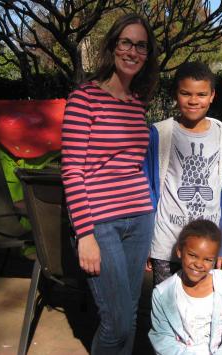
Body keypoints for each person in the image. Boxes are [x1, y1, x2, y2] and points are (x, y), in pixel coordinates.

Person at [60, 13, 159, 355]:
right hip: (100, 224)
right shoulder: (83, 99)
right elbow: (72, 171)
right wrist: (84, 234)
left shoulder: (137, 104)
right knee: (115, 322)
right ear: (113, 46)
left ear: (147, 54)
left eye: (141, 46)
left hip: (139, 218)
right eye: (126, 42)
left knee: (129, 316)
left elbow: (135, 166)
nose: (133, 51)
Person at [145, 61, 222, 285]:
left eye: (201, 94)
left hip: (207, 251)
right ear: (175, 94)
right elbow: (148, 192)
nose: (193, 101)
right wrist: (148, 243)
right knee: (166, 310)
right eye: (185, 93)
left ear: (212, 95)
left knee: (202, 314)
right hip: (166, 245)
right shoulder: (159, 134)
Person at [149, 220, 222, 354]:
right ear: (179, 251)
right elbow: (162, 338)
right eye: (193, 255)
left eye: (207, 259)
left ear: (215, 259)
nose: (199, 264)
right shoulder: (162, 294)